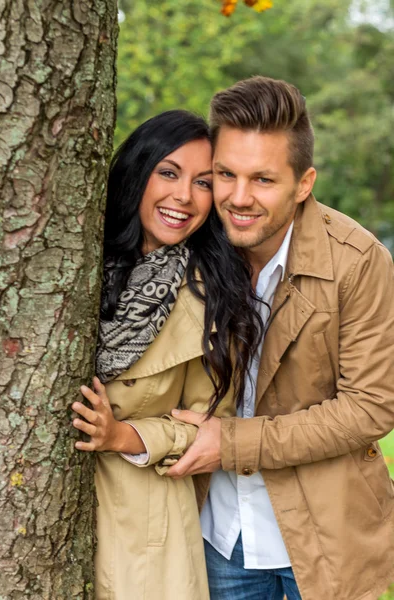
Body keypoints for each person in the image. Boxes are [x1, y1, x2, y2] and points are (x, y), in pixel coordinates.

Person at [167, 77, 394, 600]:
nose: (239, 198)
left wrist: (231, 444)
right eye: (225, 174)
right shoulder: (190, 249)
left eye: (263, 180)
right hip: (218, 533)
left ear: (304, 182)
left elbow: (371, 407)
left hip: (326, 542)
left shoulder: (356, 261)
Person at [71, 110, 262, 600]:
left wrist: (123, 434)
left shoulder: (216, 295)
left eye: (203, 182)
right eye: (169, 172)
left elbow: (208, 427)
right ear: (139, 171)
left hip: (146, 527)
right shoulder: (77, 262)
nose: (184, 196)